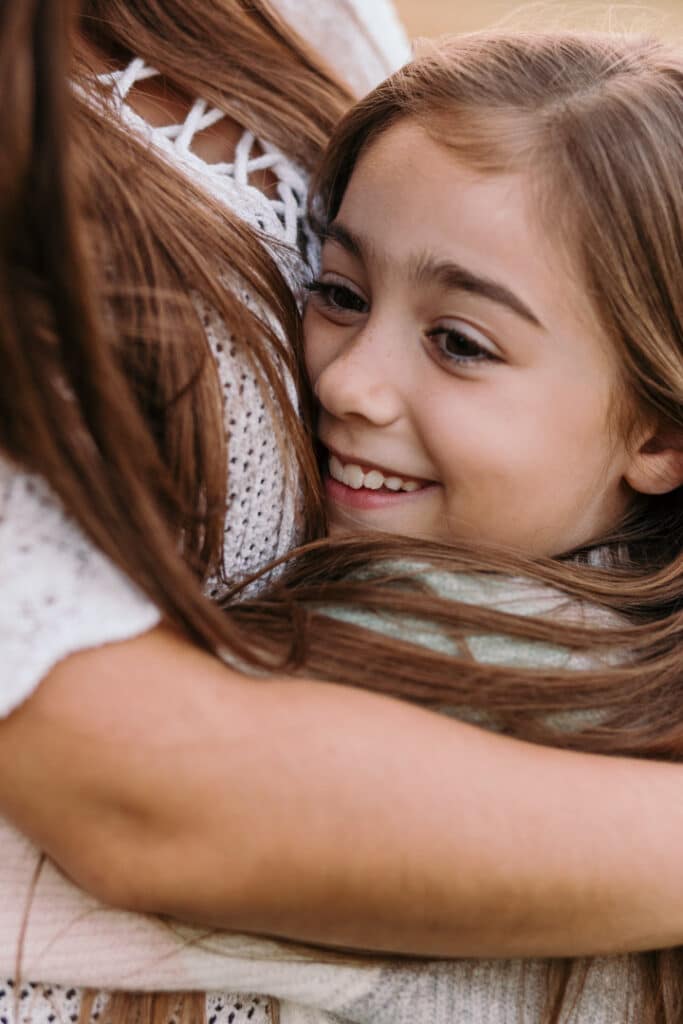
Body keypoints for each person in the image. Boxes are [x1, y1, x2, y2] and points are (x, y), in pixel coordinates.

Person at [0, 6, 682, 1024]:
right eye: (337, 292)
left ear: (659, 434)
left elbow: (74, 884)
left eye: (458, 342)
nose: (350, 383)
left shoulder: (458, 652)